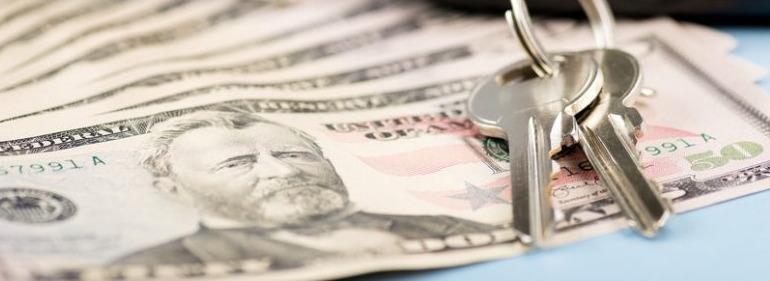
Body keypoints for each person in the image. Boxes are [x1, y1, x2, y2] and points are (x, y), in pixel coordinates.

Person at [115, 109, 493, 269]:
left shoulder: (456, 231)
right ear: (172, 189)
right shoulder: (147, 269)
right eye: (236, 164)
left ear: (328, 164)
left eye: (295, 154)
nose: (280, 170)